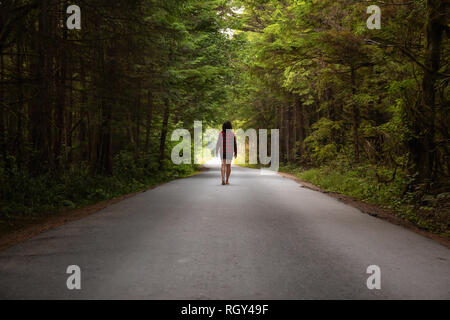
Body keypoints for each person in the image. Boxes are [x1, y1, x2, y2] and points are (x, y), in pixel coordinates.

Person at [216, 121, 237, 185]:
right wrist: (236, 152)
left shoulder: (221, 134)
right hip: (230, 152)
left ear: (223, 127)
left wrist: (216, 150)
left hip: (223, 151)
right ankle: (227, 180)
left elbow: (218, 143)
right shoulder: (232, 134)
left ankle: (223, 179)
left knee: (223, 164)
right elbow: (234, 144)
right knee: (228, 165)